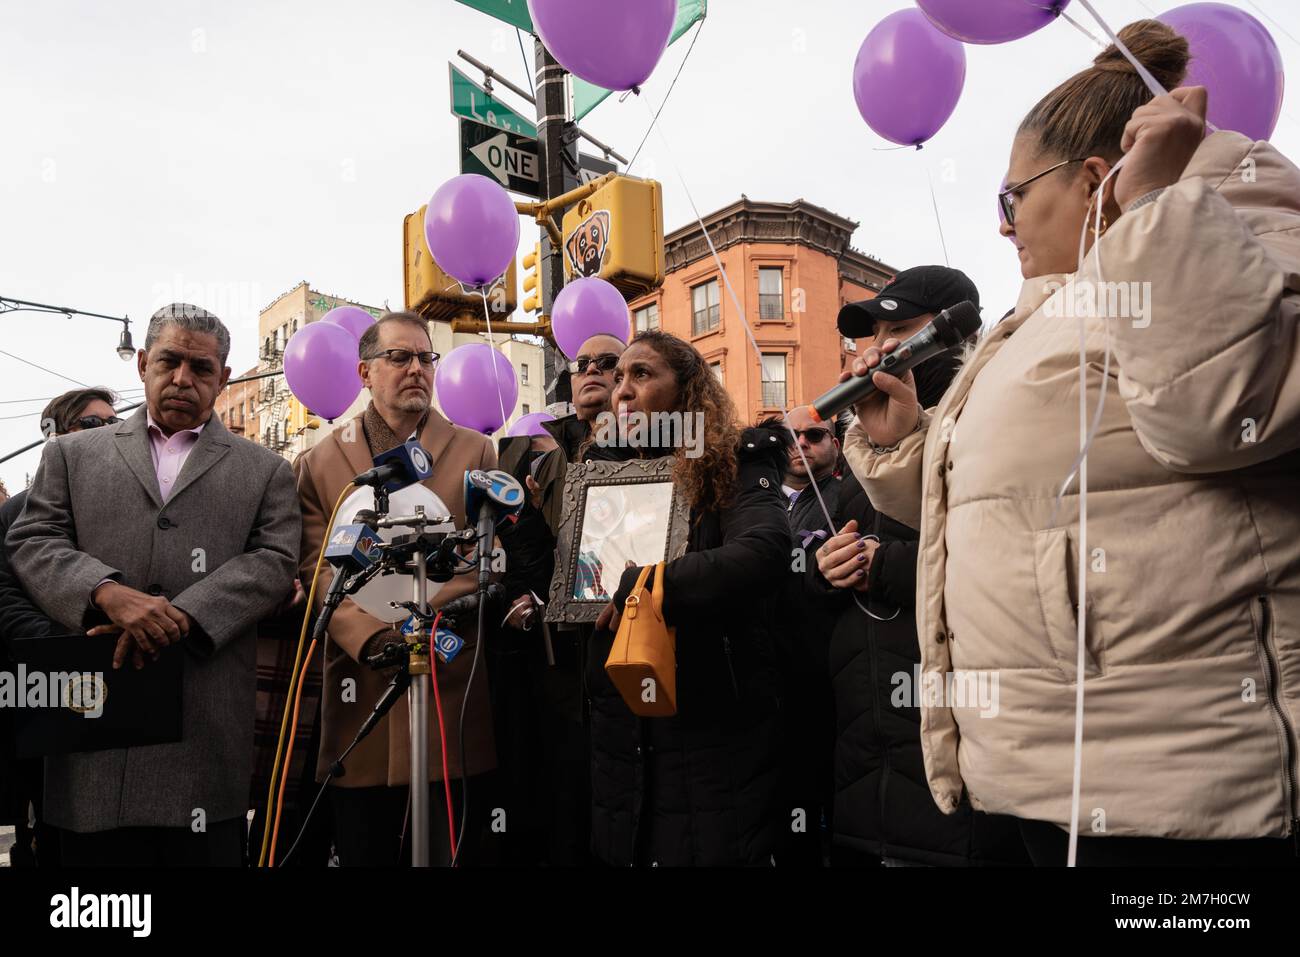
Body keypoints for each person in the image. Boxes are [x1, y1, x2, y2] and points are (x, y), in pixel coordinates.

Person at [845, 21, 1300, 866]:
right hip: (1045, 781)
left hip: (1184, 794)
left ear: (1097, 180)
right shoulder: (1050, 306)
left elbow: (1222, 406)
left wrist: (1158, 209)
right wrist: (909, 446)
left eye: (1013, 199)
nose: (1005, 227)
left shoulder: (1234, 220)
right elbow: (1006, 505)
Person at [7, 304, 301, 866]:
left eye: (202, 368)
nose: (183, 379)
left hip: (204, 734)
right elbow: (32, 541)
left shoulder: (265, 470)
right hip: (94, 732)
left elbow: (274, 561)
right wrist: (106, 593)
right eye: (169, 361)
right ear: (143, 363)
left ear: (224, 377)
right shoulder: (71, 455)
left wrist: (184, 615)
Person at [819, 267, 1027, 867]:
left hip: (965, 785)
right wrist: (822, 567)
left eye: (901, 329)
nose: (881, 346)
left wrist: (887, 566)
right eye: (874, 332)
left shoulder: (995, 426)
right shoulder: (860, 445)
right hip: (866, 771)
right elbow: (813, 541)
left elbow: (1002, 557)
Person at [293, 311, 499, 866]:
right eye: (399, 357)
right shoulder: (318, 462)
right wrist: (373, 637)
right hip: (360, 691)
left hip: (448, 686)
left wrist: (423, 623)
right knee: (366, 848)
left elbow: (482, 565)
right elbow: (317, 569)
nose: (416, 369)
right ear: (364, 371)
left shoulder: (476, 452)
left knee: (452, 848)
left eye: (425, 358)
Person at [586, 330, 793, 866]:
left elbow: (764, 551)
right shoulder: (603, 480)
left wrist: (652, 586)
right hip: (623, 729)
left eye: (642, 374)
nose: (621, 390)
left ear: (688, 391)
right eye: (619, 377)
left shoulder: (736, 462)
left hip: (711, 725)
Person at [491, 332, 627, 865]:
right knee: (562, 799)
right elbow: (529, 552)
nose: (592, 369)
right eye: (581, 362)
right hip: (556, 660)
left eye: (608, 362)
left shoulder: (660, 441)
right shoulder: (534, 453)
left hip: (626, 644)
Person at [0, 387, 119, 867]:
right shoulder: (18, 511)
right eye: (93, 424)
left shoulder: (126, 508)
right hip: (41, 688)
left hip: (117, 683)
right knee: (50, 816)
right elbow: (5, 598)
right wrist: (68, 643)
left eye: (115, 422)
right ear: (55, 435)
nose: (110, 431)